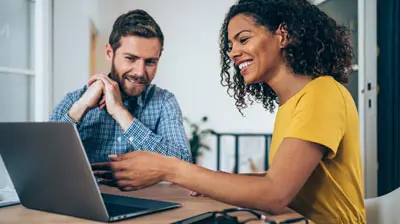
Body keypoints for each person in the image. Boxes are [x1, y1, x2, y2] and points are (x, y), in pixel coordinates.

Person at [91, 0, 365, 223]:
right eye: (230, 45)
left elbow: (274, 194)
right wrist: (211, 180)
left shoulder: (322, 94)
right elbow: (286, 181)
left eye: (243, 39)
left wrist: (169, 168)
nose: (233, 53)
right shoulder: (291, 104)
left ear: (282, 35)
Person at [50, 9, 192, 163]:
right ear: (109, 53)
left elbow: (183, 163)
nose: (140, 72)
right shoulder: (74, 100)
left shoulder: (164, 102)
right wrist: (80, 108)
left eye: (150, 62)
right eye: (130, 58)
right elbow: (43, 158)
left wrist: (120, 112)